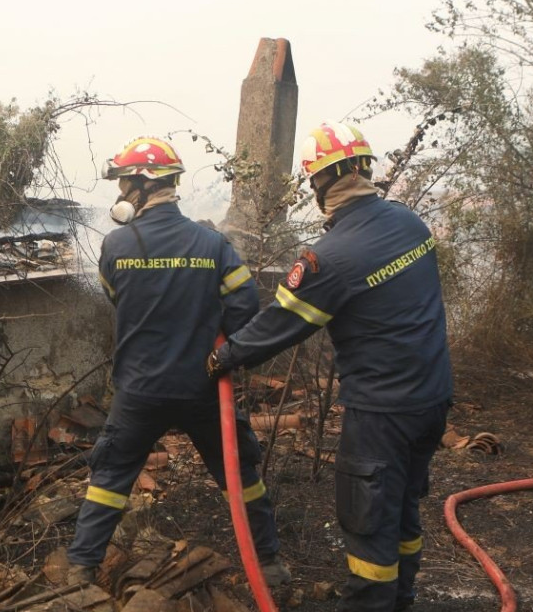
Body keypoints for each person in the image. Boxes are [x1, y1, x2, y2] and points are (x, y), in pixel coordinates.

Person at [211, 122, 453, 612]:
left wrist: (223, 355)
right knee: (402, 509)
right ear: (365, 168)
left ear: (318, 183)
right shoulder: (409, 223)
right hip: (432, 399)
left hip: (381, 412)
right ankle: (401, 600)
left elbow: (278, 325)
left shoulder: (330, 257)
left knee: (368, 525)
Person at [65, 135, 290, 589]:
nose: (120, 194)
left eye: (125, 183)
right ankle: (268, 564)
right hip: (203, 386)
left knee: (110, 478)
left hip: (138, 389)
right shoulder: (214, 245)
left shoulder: (115, 246)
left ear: (143, 185)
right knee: (239, 474)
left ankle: (80, 570)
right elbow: (245, 312)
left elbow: (119, 300)